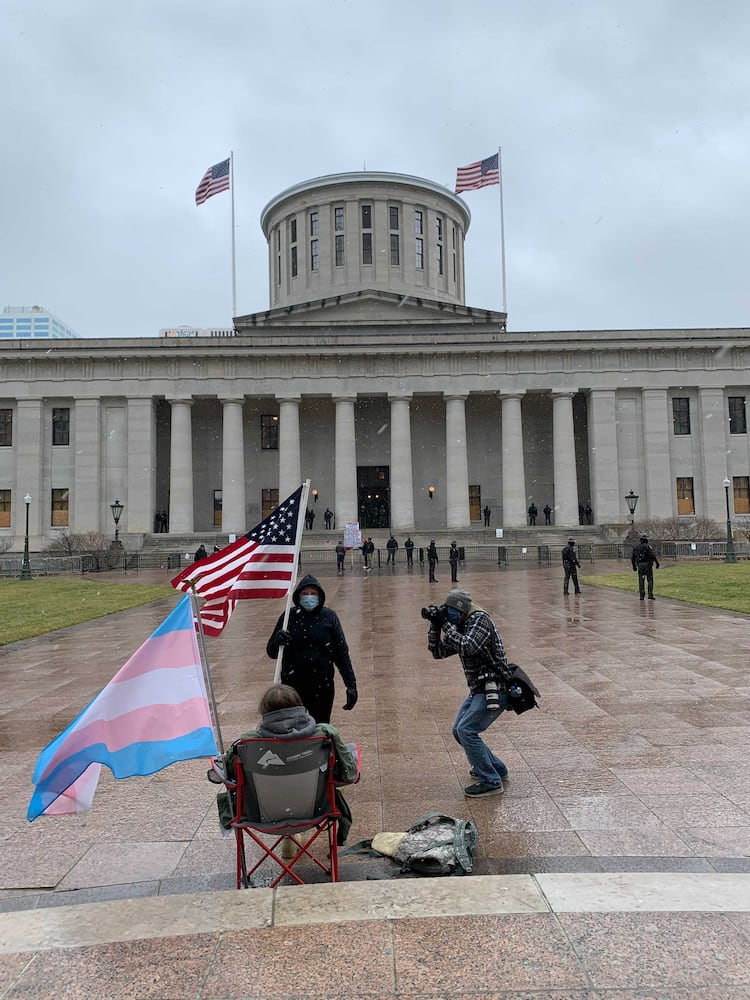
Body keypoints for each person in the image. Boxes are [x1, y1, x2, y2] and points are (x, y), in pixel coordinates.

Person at [212, 684, 359, 844]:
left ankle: (288, 843)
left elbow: (227, 773)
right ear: (299, 707)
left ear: (265, 712)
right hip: (316, 811)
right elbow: (349, 773)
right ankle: (292, 841)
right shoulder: (325, 734)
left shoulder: (247, 742)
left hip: (260, 816)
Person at [425, 589, 510, 797]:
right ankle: (496, 768)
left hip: (495, 687)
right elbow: (438, 653)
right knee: (459, 730)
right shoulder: (462, 623)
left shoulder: (479, 620)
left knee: (467, 730)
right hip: (478, 688)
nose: (449, 615)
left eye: (450, 611)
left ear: (460, 609)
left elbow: (467, 646)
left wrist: (445, 624)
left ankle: (490, 781)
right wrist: (435, 626)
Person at [267, 574, 358, 724]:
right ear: (298, 596)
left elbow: (341, 654)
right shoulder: (288, 617)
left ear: (319, 595)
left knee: (321, 728)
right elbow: (271, 652)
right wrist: (278, 641)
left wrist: (351, 684)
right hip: (293, 686)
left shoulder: (329, 617)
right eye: (305, 593)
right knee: (295, 728)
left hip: (322, 685)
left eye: (313, 593)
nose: (309, 597)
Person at [631, 533, 660, 600]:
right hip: (647, 565)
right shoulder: (647, 546)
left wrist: (634, 566)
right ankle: (650, 594)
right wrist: (657, 563)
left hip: (640, 565)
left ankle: (642, 595)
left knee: (641, 580)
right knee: (650, 579)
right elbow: (652, 555)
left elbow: (633, 558)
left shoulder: (636, 547)